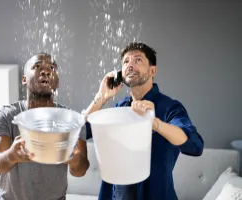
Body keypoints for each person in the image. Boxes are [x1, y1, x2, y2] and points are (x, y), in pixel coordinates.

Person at [83, 42, 204, 200]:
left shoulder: (169, 107)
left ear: (152, 70)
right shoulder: (119, 109)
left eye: (138, 60)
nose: (130, 65)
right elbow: (81, 132)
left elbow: (195, 146)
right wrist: (101, 97)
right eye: (126, 62)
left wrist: (154, 122)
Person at [0, 53, 90, 200]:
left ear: (57, 82)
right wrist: (12, 155)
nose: (46, 71)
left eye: (51, 68)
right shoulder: (7, 115)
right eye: (37, 67)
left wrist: (73, 159)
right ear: (24, 79)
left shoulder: (72, 120)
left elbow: (80, 171)